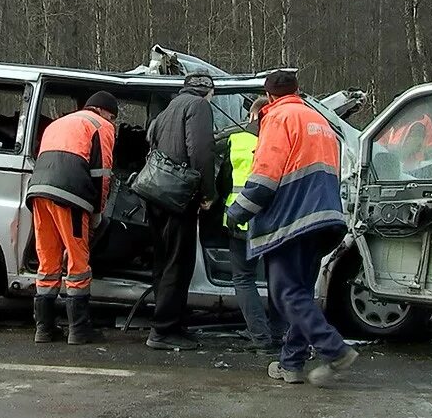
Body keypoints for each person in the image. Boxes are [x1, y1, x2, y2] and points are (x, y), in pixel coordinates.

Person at [227, 70, 357, 387]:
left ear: (269, 97)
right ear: (296, 91)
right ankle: (292, 363)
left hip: (291, 220)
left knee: (286, 293)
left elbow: (266, 175)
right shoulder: (318, 121)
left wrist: (238, 210)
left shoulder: (278, 118)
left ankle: (335, 349)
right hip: (324, 218)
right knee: (300, 293)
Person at [25, 91, 118, 345]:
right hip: (71, 197)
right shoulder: (101, 126)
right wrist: (98, 212)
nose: (113, 122)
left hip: (38, 194)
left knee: (48, 260)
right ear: (103, 111)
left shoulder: (59, 123)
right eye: (112, 116)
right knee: (77, 262)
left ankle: (44, 329)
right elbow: (102, 174)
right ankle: (79, 329)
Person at [144, 73, 217, 350]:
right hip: (178, 197)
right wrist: (208, 193)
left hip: (156, 194)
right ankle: (163, 331)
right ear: (207, 91)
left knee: (163, 261)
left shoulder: (168, 109)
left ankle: (170, 323)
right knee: (179, 262)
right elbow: (201, 152)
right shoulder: (198, 106)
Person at [223, 97, 283, 353]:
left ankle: (260, 336)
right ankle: (279, 335)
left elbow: (223, 179)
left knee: (243, 279)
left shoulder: (236, 140)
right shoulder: (278, 142)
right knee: (276, 281)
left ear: (251, 116)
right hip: (272, 222)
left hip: (240, 221)